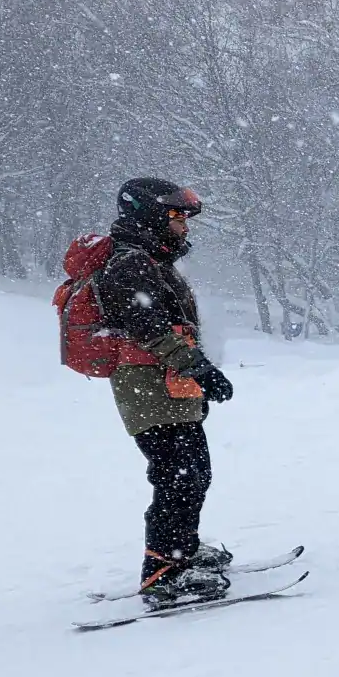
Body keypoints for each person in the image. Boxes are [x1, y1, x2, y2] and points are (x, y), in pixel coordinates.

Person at [96, 178, 235, 606]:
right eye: (177, 217)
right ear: (151, 215)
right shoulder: (129, 264)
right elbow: (150, 328)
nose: (184, 227)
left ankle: (184, 551)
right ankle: (163, 572)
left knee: (194, 474)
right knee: (177, 478)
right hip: (148, 388)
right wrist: (201, 369)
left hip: (169, 386)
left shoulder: (151, 261)